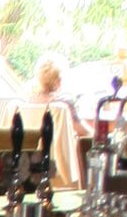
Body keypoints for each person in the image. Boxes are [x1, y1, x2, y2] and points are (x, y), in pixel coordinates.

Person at [32, 56, 89, 187]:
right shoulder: (63, 103)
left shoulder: (28, 101)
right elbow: (83, 131)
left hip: (31, 160)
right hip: (59, 165)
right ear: (58, 81)